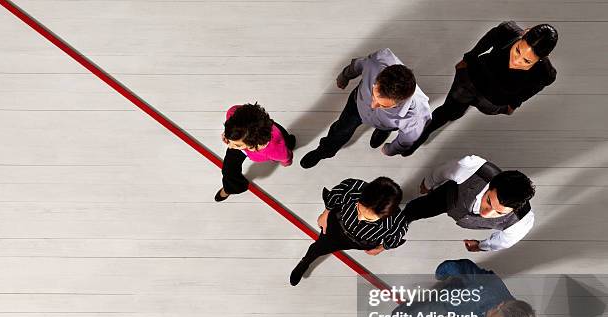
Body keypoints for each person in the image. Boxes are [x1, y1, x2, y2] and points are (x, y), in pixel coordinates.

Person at [407, 22, 558, 155]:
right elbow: (486, 41)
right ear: (524, 33)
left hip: (494, 101)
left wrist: (513, 104)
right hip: (472, 79)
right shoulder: (507, 31)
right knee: (448, 111)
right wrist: (468, 58)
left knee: (458, 109)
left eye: (526, 61)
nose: (516, 61)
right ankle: (423, 135)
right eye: (517, 50)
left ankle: (457, 112)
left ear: (543, 57)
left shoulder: (545, 74)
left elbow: (529, 91)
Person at [299, 48, 431, 168]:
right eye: (374, 94)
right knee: (341, 129)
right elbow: (357, 65)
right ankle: (324, 151)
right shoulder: (376, 63)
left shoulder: (416, 117)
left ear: (400, 102)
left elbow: (406, 140)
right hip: (356, 103)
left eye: (383, 105)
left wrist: (391, 149)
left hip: (386, 122)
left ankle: (382, 130)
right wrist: (345, 76)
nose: (373, 105)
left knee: (387, 124)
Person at [382, 259, 538, 317]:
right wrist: (442, 272)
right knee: (417, 313)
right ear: (500, 306)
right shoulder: (483, 284)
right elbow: (463, 266)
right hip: (451, 302)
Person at [290, 177, 409, 286]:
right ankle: (305, 262)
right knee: (317, 248)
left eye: (369, 218)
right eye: (359, 209)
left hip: (361, 242)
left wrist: (381, 247)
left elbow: (396, 236)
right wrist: (325, 213)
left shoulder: (396, 222)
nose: (360, 218)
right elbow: (335, 194)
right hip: (337, 226)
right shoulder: (353, 188)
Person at [403, 155, 535, 251]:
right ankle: (403, 219)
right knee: (416, 209)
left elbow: (504, 242)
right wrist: (428, 183)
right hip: (449, 196)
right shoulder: (473, 168)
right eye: (488, 201)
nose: (486, 213)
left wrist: (481, 246)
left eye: (499, 212)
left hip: (461, 213)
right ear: (491, 185)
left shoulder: (521, 223)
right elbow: (443, 171)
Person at [215, 103, 296, 201]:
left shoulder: (275, 151)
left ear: (253, 145)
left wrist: (285, 162)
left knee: (288, 143)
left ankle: (289, 141)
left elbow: (286, 158)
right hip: (258, 132)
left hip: (274, 138)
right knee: (228, 170)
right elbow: (238, 111)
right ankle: (232, 188)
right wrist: (228, 135)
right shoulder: (233, 113)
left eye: (237, 145)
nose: (229, 146)